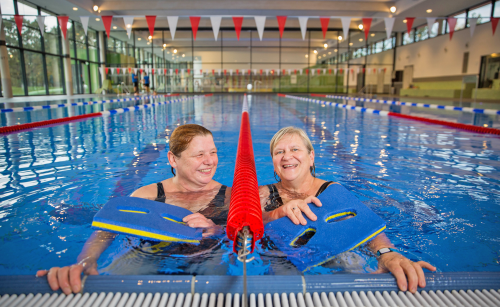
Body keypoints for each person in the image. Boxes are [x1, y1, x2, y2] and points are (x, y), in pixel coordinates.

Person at [37, 124, 230, 294]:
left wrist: (218, 231)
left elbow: (247, 237)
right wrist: (86, 260)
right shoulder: (147, 195)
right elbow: (107, 230)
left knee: (216, 289)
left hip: (209, 254)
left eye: (213, 152)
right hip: (149, 253)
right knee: (109, 284)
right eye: (199, 154)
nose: (210, 161)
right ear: (173, 159)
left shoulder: (230, 197)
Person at [260, 126, 436, 293]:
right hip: (281, 255)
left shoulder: (331, 191)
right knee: (283, 284)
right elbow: (247, 224)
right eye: (279, 152)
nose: (286, 156)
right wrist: (278, 213)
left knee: (355, 266)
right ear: (274, 163)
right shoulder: (263, 194)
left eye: (295, 149)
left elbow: (362, 225)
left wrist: (386, 253)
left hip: (332, 251)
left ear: (311, 157)